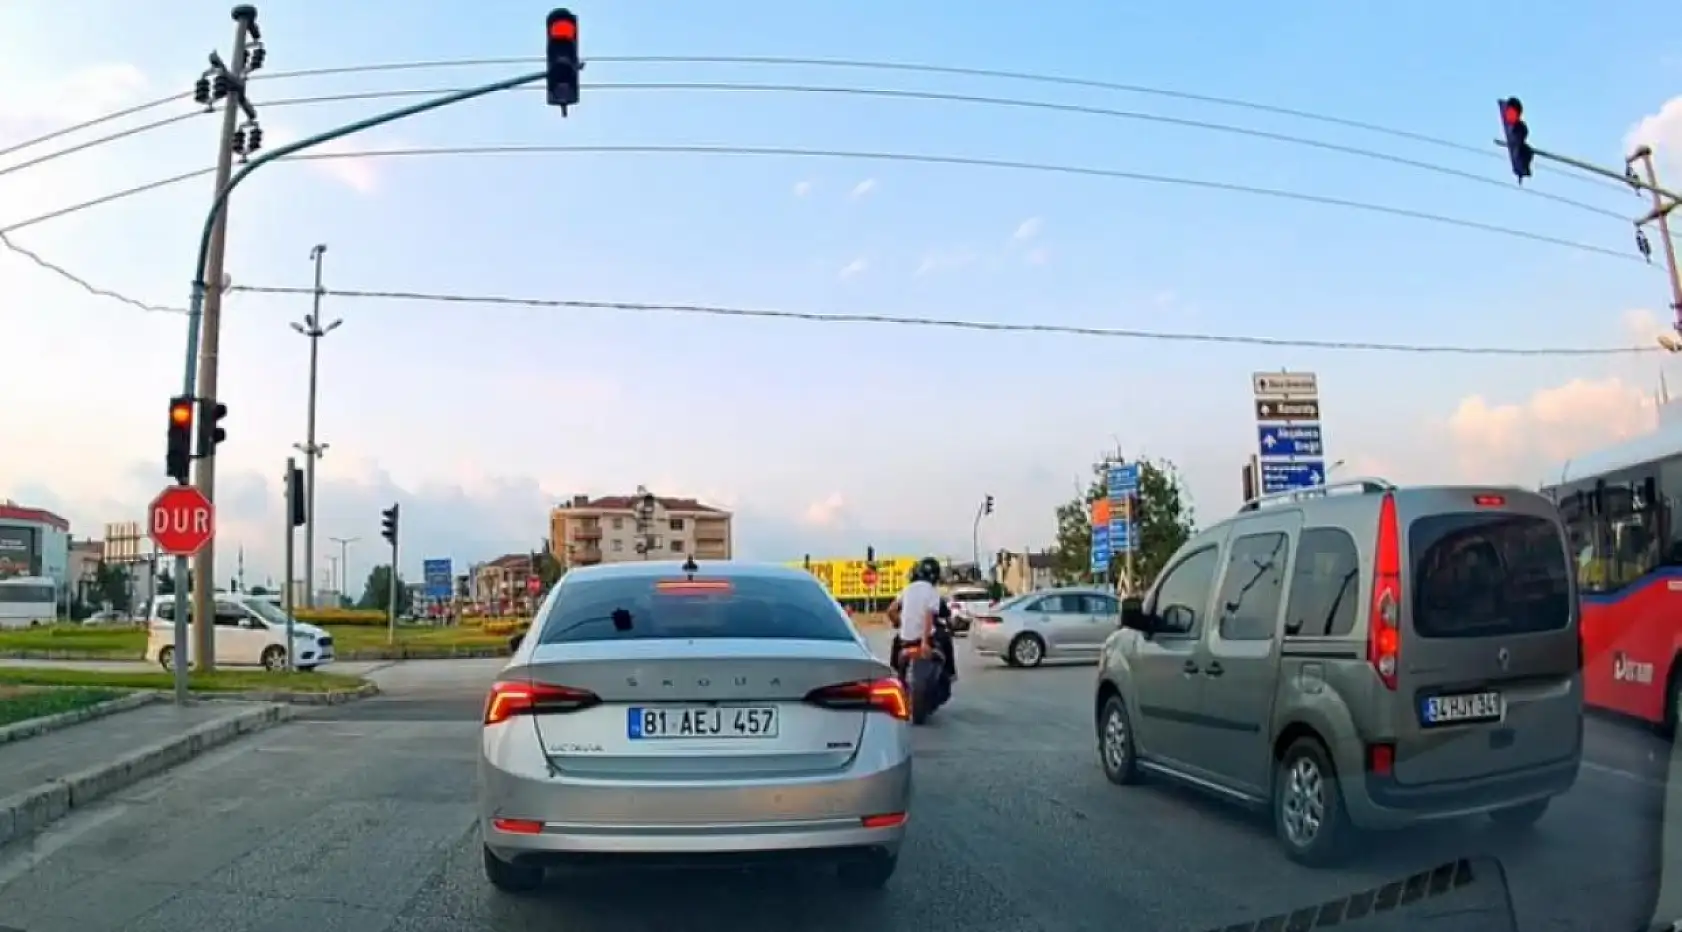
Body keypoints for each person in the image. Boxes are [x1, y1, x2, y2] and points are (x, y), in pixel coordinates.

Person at [886, 557, 956, 682]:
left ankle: (896, 676)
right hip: (926, 638)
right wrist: (924, 642)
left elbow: (891, 611)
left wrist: (900, 623)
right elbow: (929, 615)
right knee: (945, 638)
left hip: (905, 639)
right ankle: (951, 673)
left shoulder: (907, 589)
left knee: (896, 643)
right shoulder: (932, 590)